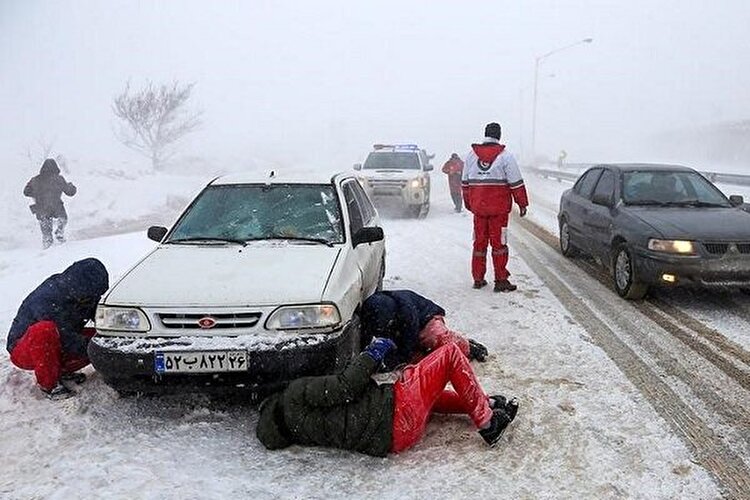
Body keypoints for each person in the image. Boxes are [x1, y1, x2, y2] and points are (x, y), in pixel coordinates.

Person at [256, 339, 519, 456]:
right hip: (393, 410)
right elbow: (346, 386)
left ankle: (488, 404)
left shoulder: (295, 428)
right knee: (449, 355)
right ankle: (488, 424)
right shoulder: (294, 394)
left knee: (424, 391)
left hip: (394, 438)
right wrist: (372, 352)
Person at [6, 258, 109, 399]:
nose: (93, 299)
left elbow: (99, 316)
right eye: (90, 297)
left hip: (58, 341)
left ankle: (59, 372)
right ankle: (49, 385)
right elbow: (64, 336)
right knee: (45, 330)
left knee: (100, 338)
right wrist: (94, 350)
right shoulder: (48, 297)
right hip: (24, 349)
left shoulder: (86, 292)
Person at [462, 123, 529, 292]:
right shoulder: (506, 157)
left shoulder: (471, 156)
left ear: (485, 134)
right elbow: (516, 183)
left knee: (479, 244)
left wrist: (470, 203)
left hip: (479, 210)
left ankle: (478, 278)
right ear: (499, 136)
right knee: (499, 245)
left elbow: (465, 183)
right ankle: (500, 280)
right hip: (498, 211)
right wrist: (522, 203)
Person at [360, 290, 488, 370]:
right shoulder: (369, 312)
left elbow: (409, 340)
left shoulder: (406, 310)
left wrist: (399, 358)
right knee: (419, 364)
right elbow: (365, 336)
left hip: (427, 320)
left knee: (436, 339)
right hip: (403, 333)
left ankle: (467, 347)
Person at [24, 158, 77, 249]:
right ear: (56, 168)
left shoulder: (35, 179)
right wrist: (71, 187)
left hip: (41, 209)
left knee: (46, 233)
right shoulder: (59, 179)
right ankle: (59, 232)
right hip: (57, 207)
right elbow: (69, 192)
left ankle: (47, 248)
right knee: (63, 219)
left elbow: (26, 192)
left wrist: (37, 194)